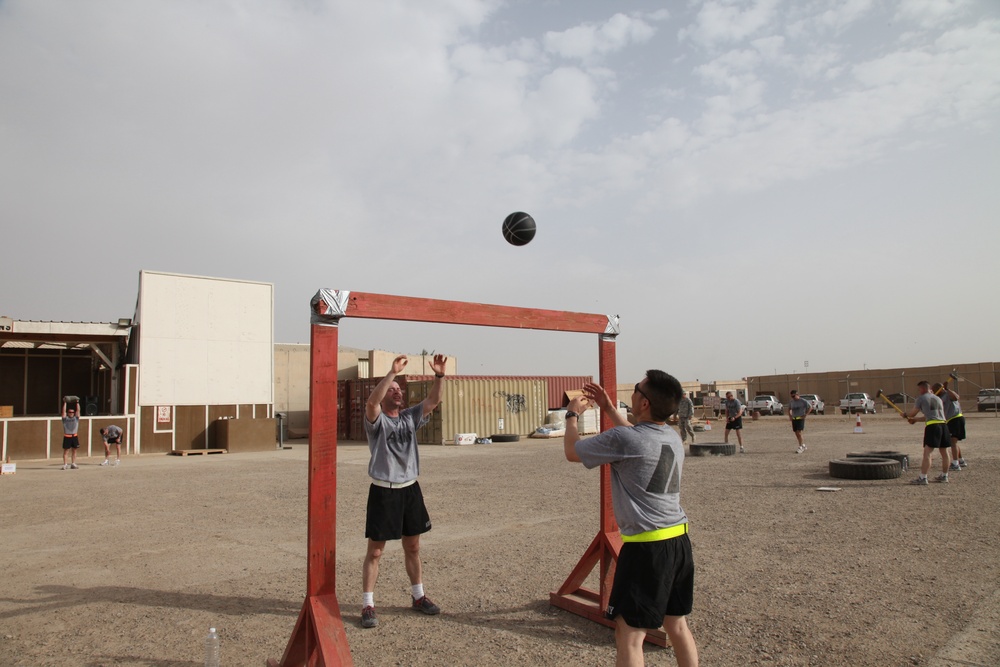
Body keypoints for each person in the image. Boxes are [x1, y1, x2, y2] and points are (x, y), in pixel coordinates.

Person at [563, 372, 699, 667]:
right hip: (678, 541)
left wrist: (571, 415)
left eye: (637, 389)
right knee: (676, 625)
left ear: (645, 402)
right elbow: (637, 438)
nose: (634, 393)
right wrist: (609, 408)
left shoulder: (624, 439)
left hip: (646, 550)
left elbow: (572, 451)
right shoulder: (671, 438)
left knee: (629, 634)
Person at [360, 353, 447, 629]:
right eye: (393, 390)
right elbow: (372, 402)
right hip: (384, 492)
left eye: (400, 390)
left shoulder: (410, 417)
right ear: (386, 393)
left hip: (410, 490)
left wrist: (439, 376)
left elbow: (433, 401)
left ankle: (418, 597)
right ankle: (368, 604)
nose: (398, 392)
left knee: (413, 546)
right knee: (375, 552)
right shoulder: (377, 421)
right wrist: (391, 374)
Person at [903, 380, 951, 485]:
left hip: (933, 427)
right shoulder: (938, 398)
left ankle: (923, 478)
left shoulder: (921, 398)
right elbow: (930, 415)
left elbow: (912, 413)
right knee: (945, 452)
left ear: (923, 389)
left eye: (919, 389)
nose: (919, 391)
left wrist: (906, 414)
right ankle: (944, 476)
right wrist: (915, 420)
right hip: (943, 425)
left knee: (927, 453)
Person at [933, 381, 967, 471]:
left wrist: (947, 388)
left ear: (939, 389)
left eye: (934, 390)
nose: (933, 392)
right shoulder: (939, 397)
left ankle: (955, 464)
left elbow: (956, 397)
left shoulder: (947, 394)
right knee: (954, 441)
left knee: (953, 442)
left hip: (955, 419)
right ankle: (961, 460)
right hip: (950, 420)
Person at [60, 400, 81, 470]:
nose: (71, 413)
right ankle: (65, 464)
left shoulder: (76, 418)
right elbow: (63, 412)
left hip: (74, 436)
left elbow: (78, 410)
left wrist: (77, 403)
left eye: (72, 412)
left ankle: (73, 463)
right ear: (68, 413)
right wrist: (65, 403)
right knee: (66, 451)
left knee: (74, 450)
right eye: (70, 412)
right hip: (67, 436)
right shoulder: (65, 419)